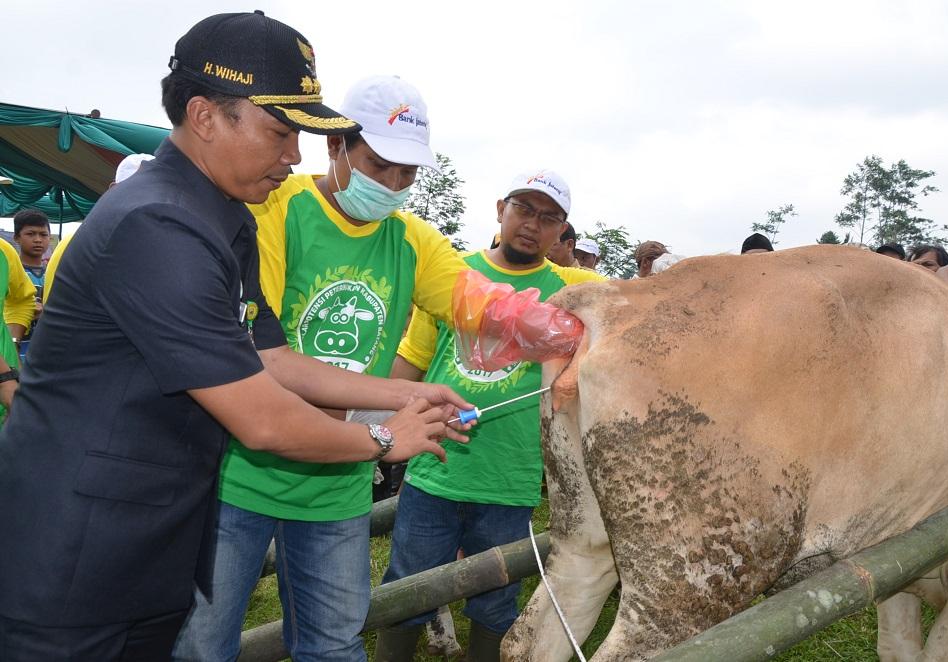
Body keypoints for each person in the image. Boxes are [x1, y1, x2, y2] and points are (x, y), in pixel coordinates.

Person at [0, 13, 472, 661]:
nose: (294, 156)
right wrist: (384, 438)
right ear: (205, 115)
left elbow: (273, 357)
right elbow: (262, 420)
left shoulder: (225, 220)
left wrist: (402, 393)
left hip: (150, 533)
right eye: (280, 131)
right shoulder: (157, 225)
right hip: (75, 552)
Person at [174, 75, 477, 662]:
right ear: (336, 146)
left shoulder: (413, 240)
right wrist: (393, 411)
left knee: (334, 644)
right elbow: (268, 357)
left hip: (339, 483)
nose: (393, 184)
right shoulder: (274, 213)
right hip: (239, 476)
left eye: (408, 173)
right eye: (379, 164)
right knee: (202, 646)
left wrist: (545, 320)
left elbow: (476, 299)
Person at [374, 170, 605, 662]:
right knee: (407, 591)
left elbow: (635, 311)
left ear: (563, 231)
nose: (532, 225)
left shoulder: (571, 291)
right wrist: (381, 420)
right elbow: (410, 363)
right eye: (524, 209)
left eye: (549, 218)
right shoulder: (453, 276)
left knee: (497, 601)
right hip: (434, 468)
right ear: (500, 208)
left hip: (512, 476)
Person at [42, 154, 155, 305]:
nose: (144, 200)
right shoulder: (76, 243)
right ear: (113, 190)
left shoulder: (160, 245)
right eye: (134, 190)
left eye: (153, 192)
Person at [0, 238, 36, 420]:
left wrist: (13, 342)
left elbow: (22, 299)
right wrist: (4, 380)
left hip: (9, 388)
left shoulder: (3, 251)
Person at [12, 209, 50, 357]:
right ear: (16, 237)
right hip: (15, 355)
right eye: (30, 234)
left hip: (47, 356)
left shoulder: (55, 274)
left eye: (43, 234)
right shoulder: (10, 273)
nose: (38, 239)